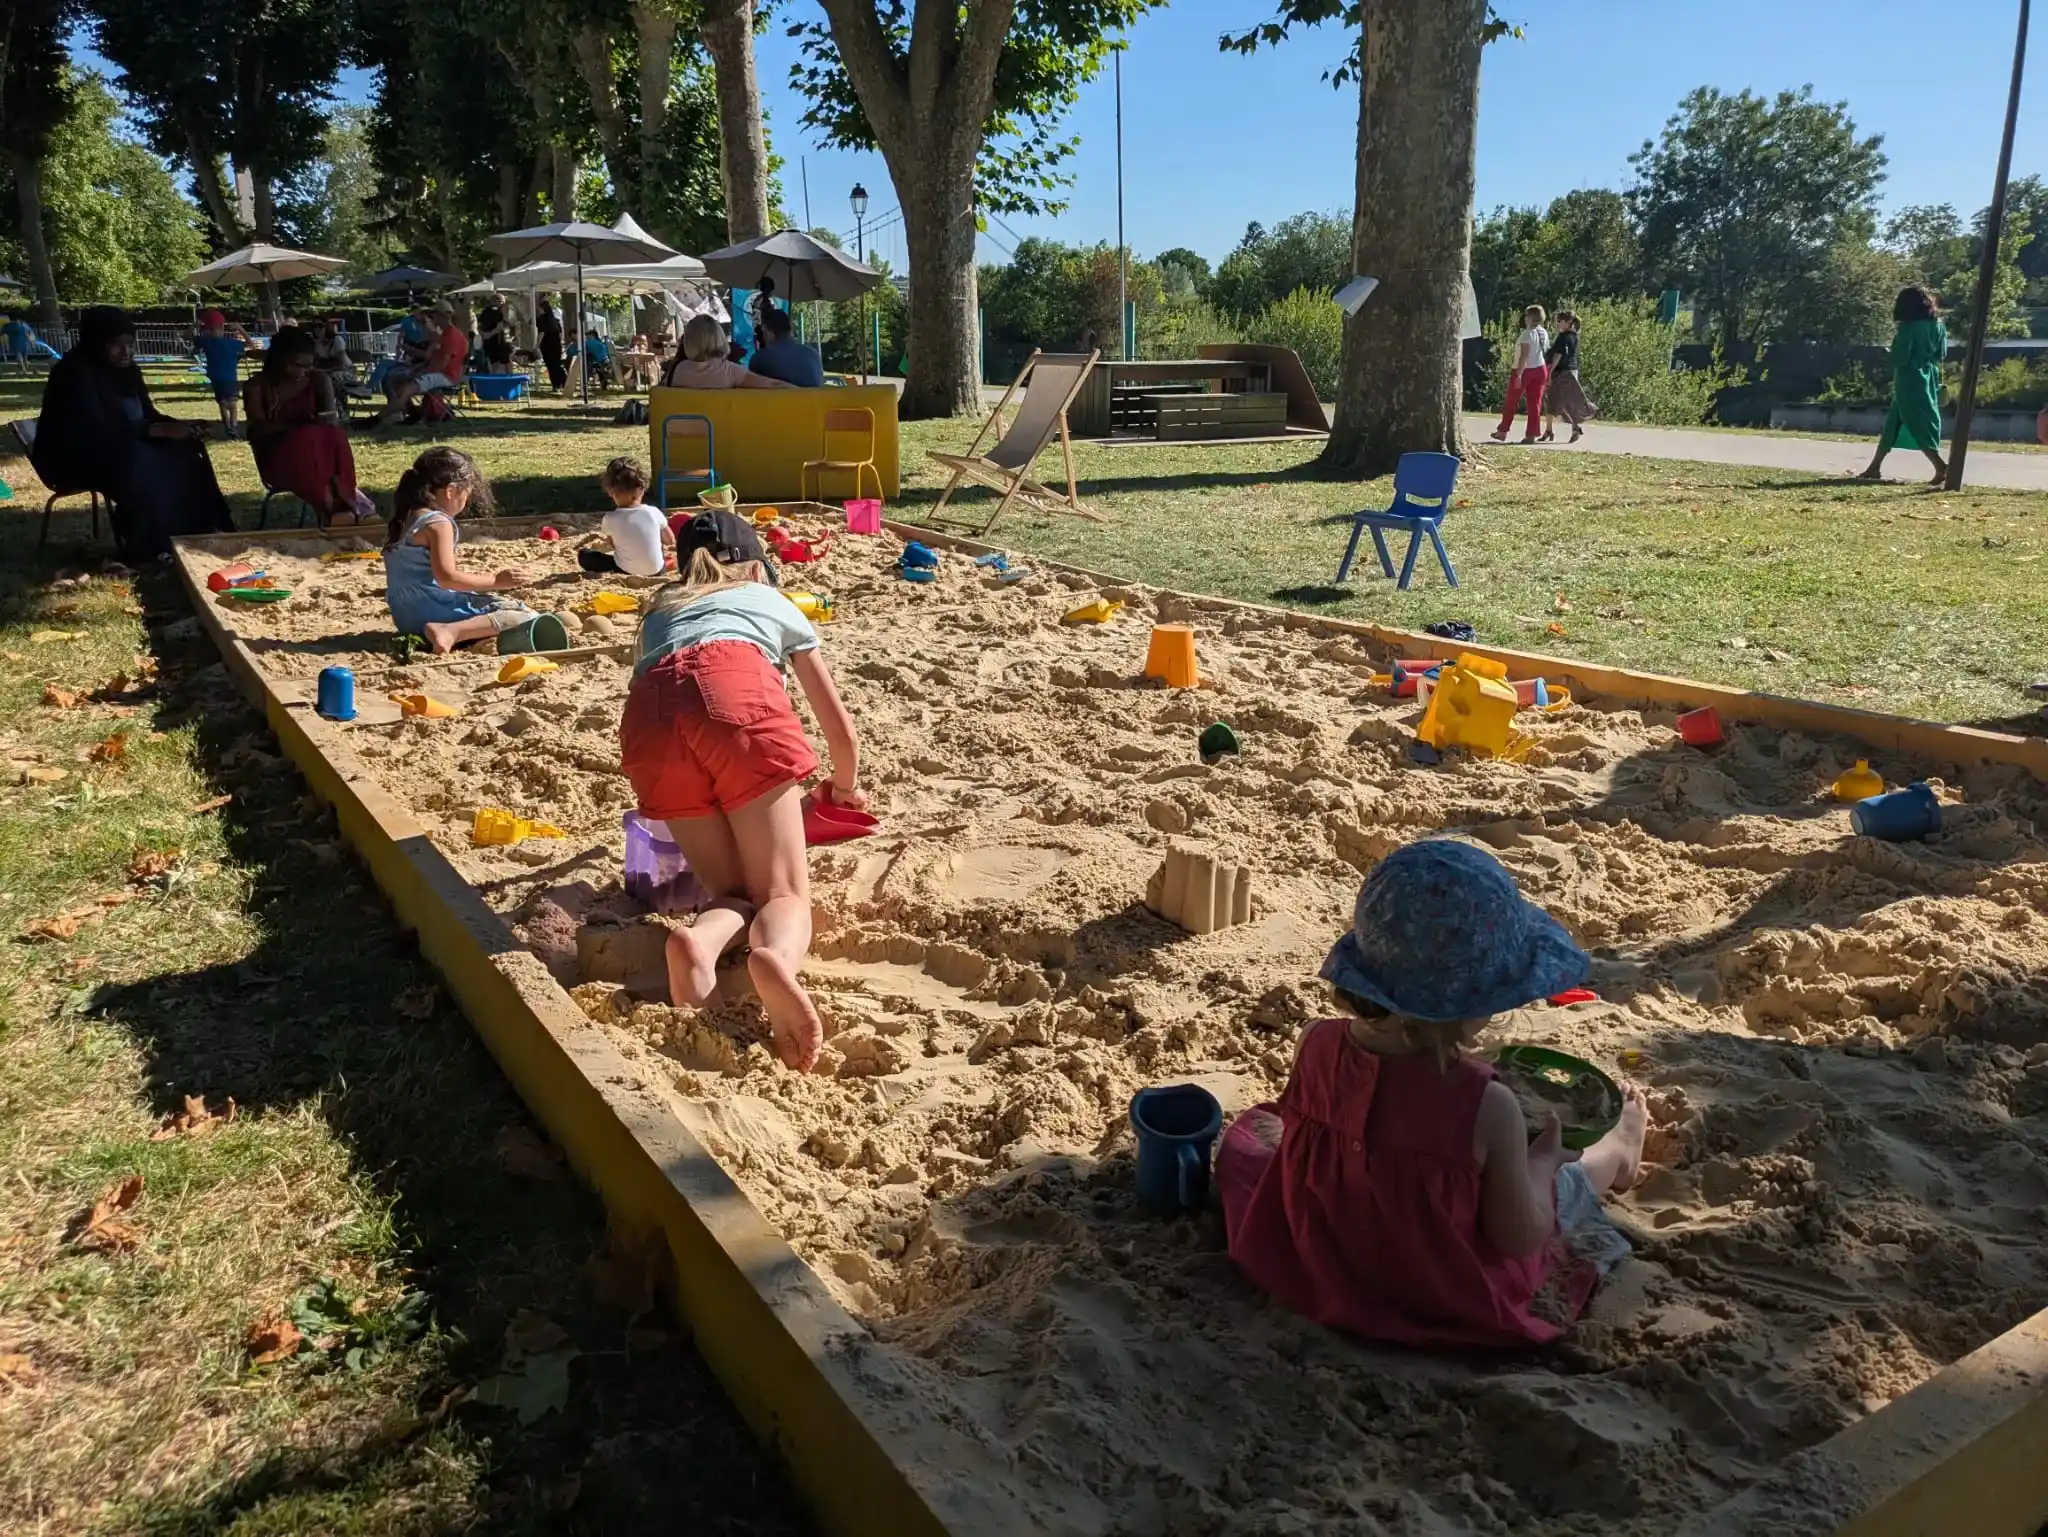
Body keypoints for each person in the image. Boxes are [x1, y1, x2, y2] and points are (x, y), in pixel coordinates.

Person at [1216, 839, 1648, 1349]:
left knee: (1249, 1147)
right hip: (1439, 1284)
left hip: (1334, 1251)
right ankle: (1618, 1152)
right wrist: (1545, 1161)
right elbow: (1519, 1234)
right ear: (1480, 1000)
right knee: (1565, 1185)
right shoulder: (1489, 1106)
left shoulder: (1316, 1043)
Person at [620, 516, 864, 1071]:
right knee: (782, 893)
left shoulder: (660, 611)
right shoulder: (767, 597)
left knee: (730, 890)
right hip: (736, 698)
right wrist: (843, 787)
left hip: (650, 728)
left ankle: (700, 946)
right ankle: (774, 956)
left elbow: (664, 693)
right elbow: (839, 729)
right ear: (758, 564)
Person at [33, 306, 234, 561]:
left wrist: (182, 426)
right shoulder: (73, 373)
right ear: (97, 342)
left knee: (187, 448)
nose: (126, 352)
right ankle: (153, 543)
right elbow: (90, 428)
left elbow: (147, 414)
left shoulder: (128, 372)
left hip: (122, 447)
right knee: (139, 457)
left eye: (130, 345)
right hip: (74, 458)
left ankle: (202, 527)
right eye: (117, 345)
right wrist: (154, 430)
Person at [381, 446, 537, 653]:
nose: (467, 500)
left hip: (406, 618)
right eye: (467, 492)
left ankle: (448, 630)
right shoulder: (438, 523)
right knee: (525, 614)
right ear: (451, 490)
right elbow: (447, 578)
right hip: (434, 610)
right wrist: (496, 581)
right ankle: (451, 630)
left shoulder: (405, 518)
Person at [243, 326, 373, 528]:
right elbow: (257, 430)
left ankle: (343, 499)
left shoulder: (319, 380)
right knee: (307, 435)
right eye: (296, 365)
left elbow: (330, 421)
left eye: (309, 366)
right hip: (280, 459)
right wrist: (295, 428)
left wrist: (319, 423)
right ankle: (339, 506)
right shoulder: (258, 386)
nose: (303, 372)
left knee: (333, 434)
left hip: (321, 455)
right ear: (278, 360)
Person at [1857, 285, 1949, 486]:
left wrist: (1887, 353)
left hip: (1910, 378)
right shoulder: (1938, 325)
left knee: (1917, 422)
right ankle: (1874, 467)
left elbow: (1901, 357)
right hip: (1929, 375)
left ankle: (1941, 466)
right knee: (1894, 422)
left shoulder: (1908, 328)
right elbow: (1941, 354)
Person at [580, 455, 674, 577]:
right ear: (643, 488)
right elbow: (670, 540)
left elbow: (613, 544)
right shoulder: (654, 512)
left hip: (625, 570)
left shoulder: (610, 519)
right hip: (657, 571)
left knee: (584, 556)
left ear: (610, 492)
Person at [377, 309, 468, 425]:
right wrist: (418, 369)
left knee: (405, 387)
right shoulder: (444, 334)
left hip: (446, 375)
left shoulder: (451, 335)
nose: (425, 324)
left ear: (441, 317)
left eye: (428, 319)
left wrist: (421, 371)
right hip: (439, 372)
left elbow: (441, 363)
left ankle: (378, 419)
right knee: (394, 380)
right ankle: (412, 413)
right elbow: (432, 359)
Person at [661, 313, 792, 390]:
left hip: (679, 433)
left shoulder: (677, 371)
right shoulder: (729, 371)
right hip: (719, 435)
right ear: (720, 337)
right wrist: (803, 393)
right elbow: (773, 385)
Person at [1490, 305, 1550, 444]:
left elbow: (1524, 356)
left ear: (1530, 317)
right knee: (1535, 403)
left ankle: (1503, 430)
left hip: (1526, 370)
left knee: (1512, 401)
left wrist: (1518, 375)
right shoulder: (1543, 332)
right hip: (1540, 368)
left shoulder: (1527, 334)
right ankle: (1532, 434)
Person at [1540, 310, 1596, 443]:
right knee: (1553, 401)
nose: (1558, 323)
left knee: (1564, 402)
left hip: (1563, 372)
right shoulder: (1573, 336)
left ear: (1568, 322)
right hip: (1569, 370)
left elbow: (1558, 356)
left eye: (1560, 321)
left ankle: (1576, 425)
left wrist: (1549, 372)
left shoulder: (1565, 337)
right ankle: (1549, 430)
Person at [193, 310, 250, 439]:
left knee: (223, 403)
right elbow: (249, 343)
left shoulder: (206, 342)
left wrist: (195, 326)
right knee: (232, 404)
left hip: (215, 377)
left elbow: (189, 337)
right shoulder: (231, 343)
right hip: (229, 377)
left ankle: (228, 427)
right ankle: (233, 427)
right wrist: (240, 329)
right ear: (222, 327)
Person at [749, 307, 824, 388]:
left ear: (766, 330)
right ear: (790, 330)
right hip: (816, 400)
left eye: (763, 333)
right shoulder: (813, 354)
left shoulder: (760, 358)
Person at [310, 316, 357, 389]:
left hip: (345, 372)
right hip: (327, 372)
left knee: (327, 378)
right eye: (314, 326)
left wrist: (324, 367)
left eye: (320, 325)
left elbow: (341, 363)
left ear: (327, 326)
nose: (317, 329)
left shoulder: (337, 340)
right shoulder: (316, 344)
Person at [536, 297, 566, 390]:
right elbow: (560, 334)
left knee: (550, 365)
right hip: (557, 344)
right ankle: (563, 381)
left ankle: (556, 384)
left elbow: (542, 333)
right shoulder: (555, 320)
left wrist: (537, 345)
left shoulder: (542, 319)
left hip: (547, 345)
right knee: (557, 364)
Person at [478, 298, 512, 370]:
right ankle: (511, 379)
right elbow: (499, 327)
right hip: (499, 342)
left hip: (489, 343)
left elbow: (479, 326)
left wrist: (484, 334)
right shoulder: (499, 312)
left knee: (494, 364)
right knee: (506, 363)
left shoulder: (484, 312)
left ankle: (494, 379)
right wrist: (489, 334)